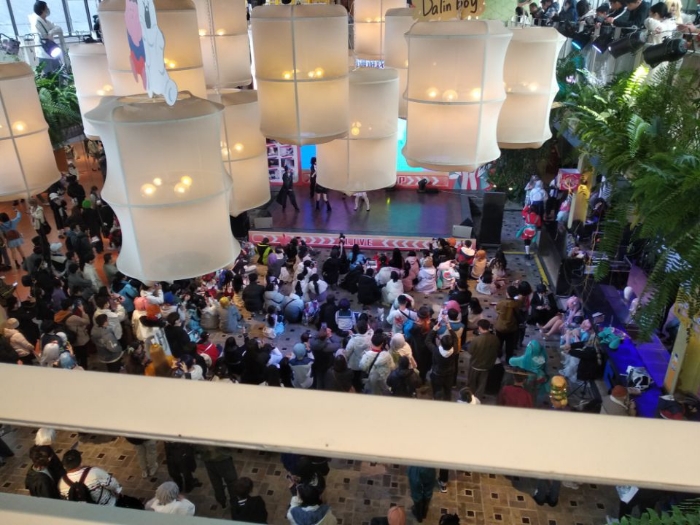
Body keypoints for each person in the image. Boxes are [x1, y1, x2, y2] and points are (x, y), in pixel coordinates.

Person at [59, 449, 124, 505]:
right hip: (107, 506)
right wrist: (119, 492)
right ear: (80, 462)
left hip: (84, 512)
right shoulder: (94, 472)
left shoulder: (62, 483)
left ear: (64, 466)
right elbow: (114, 485)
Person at [467, 320, 501, 400]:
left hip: (475, 365)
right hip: (487, 366)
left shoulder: (476, 339)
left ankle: (470, 399)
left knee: (472, 384)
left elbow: (470, 351)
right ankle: (478, 400)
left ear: (479, 328)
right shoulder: (495, 339)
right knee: (482, 385)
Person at [30, 1, 64, 74]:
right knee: (49, 75)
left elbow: (59, 28)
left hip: (51, 50)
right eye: (47, 8)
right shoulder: (37, 23)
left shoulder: (46, 22)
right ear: (42, 10)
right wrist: (50, 33)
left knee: (58, 72)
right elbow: (45, 37)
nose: (48, 9)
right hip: (44, 52)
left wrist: (51, 32)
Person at [426, 321, 456, 401]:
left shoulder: (436, 351)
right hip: (449, 374)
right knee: (448, 391)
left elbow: (427, 341)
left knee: (437, 390)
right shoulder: (455, 350)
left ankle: (436, 400)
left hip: (437, 374)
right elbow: (455, 338)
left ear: (441, 343)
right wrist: (449, 328)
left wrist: (434, 330)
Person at [495, 286, 522, 361]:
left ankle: (498, 357)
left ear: (507, 293)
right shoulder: (517, 303)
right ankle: (508, 359)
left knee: (499, 343)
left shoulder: (502, 303)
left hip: (500, 326)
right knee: (510, 345)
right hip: (512, 327)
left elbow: (497, 310)